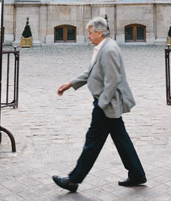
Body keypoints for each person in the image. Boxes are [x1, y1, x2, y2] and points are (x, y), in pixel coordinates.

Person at [52, 17, 146, 192]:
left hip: (106, 104)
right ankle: (137, 174)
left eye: (90, 33)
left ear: (99, 32)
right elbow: (90, 72)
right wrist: (70, 84)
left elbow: (113, 80)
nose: (88, 36)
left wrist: (101, 103)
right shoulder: (102, 47)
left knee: (92, 143)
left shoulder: (109, 49)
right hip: (106, 103)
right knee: (121, 139)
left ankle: (73, 179)